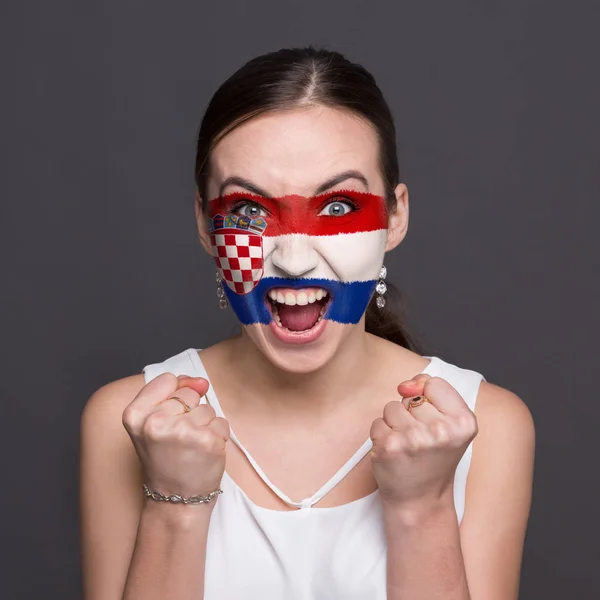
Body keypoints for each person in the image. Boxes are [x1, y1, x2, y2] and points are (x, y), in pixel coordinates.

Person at [79, 46, 535, 600]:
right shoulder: (128, 421)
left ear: (395, 217)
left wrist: (423, 507)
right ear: (204, 225)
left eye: (339, 207)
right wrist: (175, 504)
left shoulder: (484, 426)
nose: (293, 259)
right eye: (248, 211)